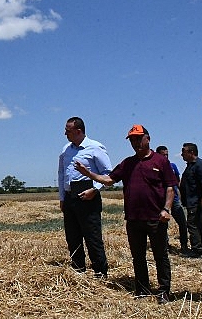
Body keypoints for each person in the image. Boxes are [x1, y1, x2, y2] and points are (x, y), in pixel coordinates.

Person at [75, 124, 176, 304]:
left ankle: (163, 291)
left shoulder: (160, 161)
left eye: (139, 138)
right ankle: (142, 289)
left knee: (160, 256)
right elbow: (108, 180)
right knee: (138, 256)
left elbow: (170, 187)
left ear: (148, 138)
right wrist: (88, 173)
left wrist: (166, 209)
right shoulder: (128, 163)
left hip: (156, 218)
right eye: (132, 140)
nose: (135, 142)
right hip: (133, 218)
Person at [58, 117, 112, 278]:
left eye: (68, 131)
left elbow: (108, 173)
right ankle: (78, 270)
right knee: (72, 237)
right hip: (69, 197)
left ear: (78, 131)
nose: (65, 133)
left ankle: (100, 272)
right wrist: (62, 198)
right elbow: (61, 174)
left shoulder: (95, 147)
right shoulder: (66, 149)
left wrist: (94, 190)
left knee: (92, 236)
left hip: (88, 196)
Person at [156, 145, 189, 255]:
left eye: (167, 154)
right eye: (163, 155)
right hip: (161, 201)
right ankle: (165, 245)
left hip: (174, 200)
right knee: (162, 224)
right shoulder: (155, 168)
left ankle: (184, 245)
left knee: (183, 223)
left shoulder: (173, 166)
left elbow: (177, 182)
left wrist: (181, 196)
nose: (165, 157)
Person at [179, 142, 202, 258]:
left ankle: (197, 250)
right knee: (199, 224)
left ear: (191, 152)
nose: (182, 154)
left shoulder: (200, 165)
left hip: (196, 201)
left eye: (184, 152)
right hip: (191, 201)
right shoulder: (190, 165)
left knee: (192, 225)